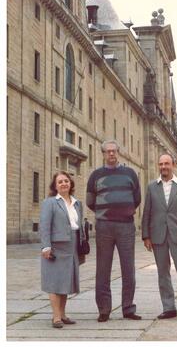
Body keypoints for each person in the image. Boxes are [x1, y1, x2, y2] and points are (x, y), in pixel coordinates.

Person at [86, 140, 141, 322]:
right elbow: (90, 201)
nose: (111, 154)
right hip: (104, 227)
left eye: (114, 151)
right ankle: (104, 309)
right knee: (103, 268)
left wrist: (123, 210)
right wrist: (106, 212)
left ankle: (128, 308)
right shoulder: (95, 176)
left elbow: (137, 199)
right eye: (108, 151)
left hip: (126, 226)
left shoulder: (130, 174)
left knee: (128, 268)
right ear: (103, 154)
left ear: (118, 152)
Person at [142, 154, 177, 321]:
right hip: (158, 236)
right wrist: (146, 235)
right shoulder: (152, 187)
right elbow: (147, 213)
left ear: (173, 165)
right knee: (163, 273)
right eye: (160, 164)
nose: (163, 167)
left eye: (166, 163)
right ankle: (169, 308)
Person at [40, 171, 85, 328]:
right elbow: (44, 226)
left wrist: (82, 246)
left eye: (66, 181)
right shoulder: (50, 202)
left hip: (72, 245)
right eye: (60, 182)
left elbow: (80, 226)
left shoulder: (77, 203)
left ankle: (63, 314)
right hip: (56, 246)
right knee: (54, 281)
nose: (64, 184)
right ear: (55, 186)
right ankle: (56, 317)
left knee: (66, 281)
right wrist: (46, 246)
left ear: (71, 184)